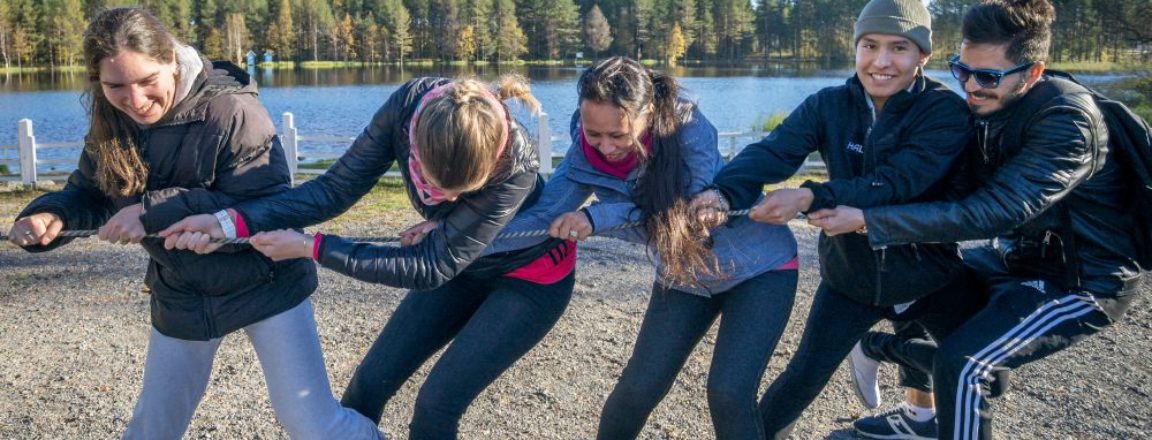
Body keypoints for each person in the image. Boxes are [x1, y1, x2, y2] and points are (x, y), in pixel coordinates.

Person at [4, 7, 384, 440]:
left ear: (171, 60)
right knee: (152, 428)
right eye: (115, 86)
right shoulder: (110, 119)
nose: (135, 99)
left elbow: (270, 205)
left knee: (311, 423)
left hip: (267, 282)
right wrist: (52, 215)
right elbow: (90, 193)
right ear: (98, 82)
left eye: (148, 81)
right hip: (183, 290)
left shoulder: (231, 110)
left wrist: (151, 210)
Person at [161, 74, 575, 440]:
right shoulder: (405, 109)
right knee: (366, 390)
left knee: (436, 406)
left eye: (464, 191)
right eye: (435, 184)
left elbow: (429, 266)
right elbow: (333, 190)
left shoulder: (514, 163)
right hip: (460, 265)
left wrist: (313, 247)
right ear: (416, 145)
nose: (447, 200)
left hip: (529, 276)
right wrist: (230, 222)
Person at [809, 1, 1143, 438]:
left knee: (965, 366)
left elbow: (996, 211)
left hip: (1082, 282)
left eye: (986, 77)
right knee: (918, 270)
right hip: (1017, 261)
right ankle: (920, 417)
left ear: (1033, 73)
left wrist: (871, 219)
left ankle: (879, 348)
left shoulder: (1067, 122)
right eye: (961, 70)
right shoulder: (988, 104)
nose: (970, 86)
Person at [692, 0, 983, 438]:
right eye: (870, 45)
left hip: (931, 274)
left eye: (899, 48)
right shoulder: (829, 105)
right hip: (852, 276)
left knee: (977, 378)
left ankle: (893, 373)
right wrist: (723, 191)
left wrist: (810, 195)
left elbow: (899, 181)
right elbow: (774, 151)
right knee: (801, 379)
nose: (881, 62)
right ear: (856, 47)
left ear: (923, 55)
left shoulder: (945, 112)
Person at [483, 56, 798, 439]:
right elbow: (544, 216)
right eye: (593, 132)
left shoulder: (688, 130)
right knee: (637, 389)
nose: (605, 146)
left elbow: (684, 223)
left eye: (618, 135)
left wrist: (595, 218)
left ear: (646, 113)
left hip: (760, 268)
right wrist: (455, 243)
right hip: (685, 276)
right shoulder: (586, 147)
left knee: (728, 393)